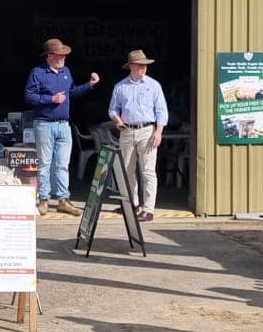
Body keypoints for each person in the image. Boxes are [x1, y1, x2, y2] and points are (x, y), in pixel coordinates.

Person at [24, 37, 97, 216]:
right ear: (49, 56)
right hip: (44, 124)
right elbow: (29, 96)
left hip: (64, 125)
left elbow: (71, 93)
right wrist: (51, 99)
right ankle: (44, 200)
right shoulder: (38, 72)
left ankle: (63, 200)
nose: (64, 57)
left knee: (63, 164)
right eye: (60, 55)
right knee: (45, 163)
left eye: (64, 54)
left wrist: (90, 85)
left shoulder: (66, 71)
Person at [107, 49, 168, 222]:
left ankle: (148, 209)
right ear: (131, 66)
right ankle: (132, 204)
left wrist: (159, 131)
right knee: (127, 170)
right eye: (140, 65)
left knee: (148, 170)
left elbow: (161, 111)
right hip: (126, 130)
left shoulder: (153, 85)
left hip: (147, 130)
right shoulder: (120, 86)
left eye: (145, 66)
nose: (143, 68)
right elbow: (112, 108)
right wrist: (117, 119)